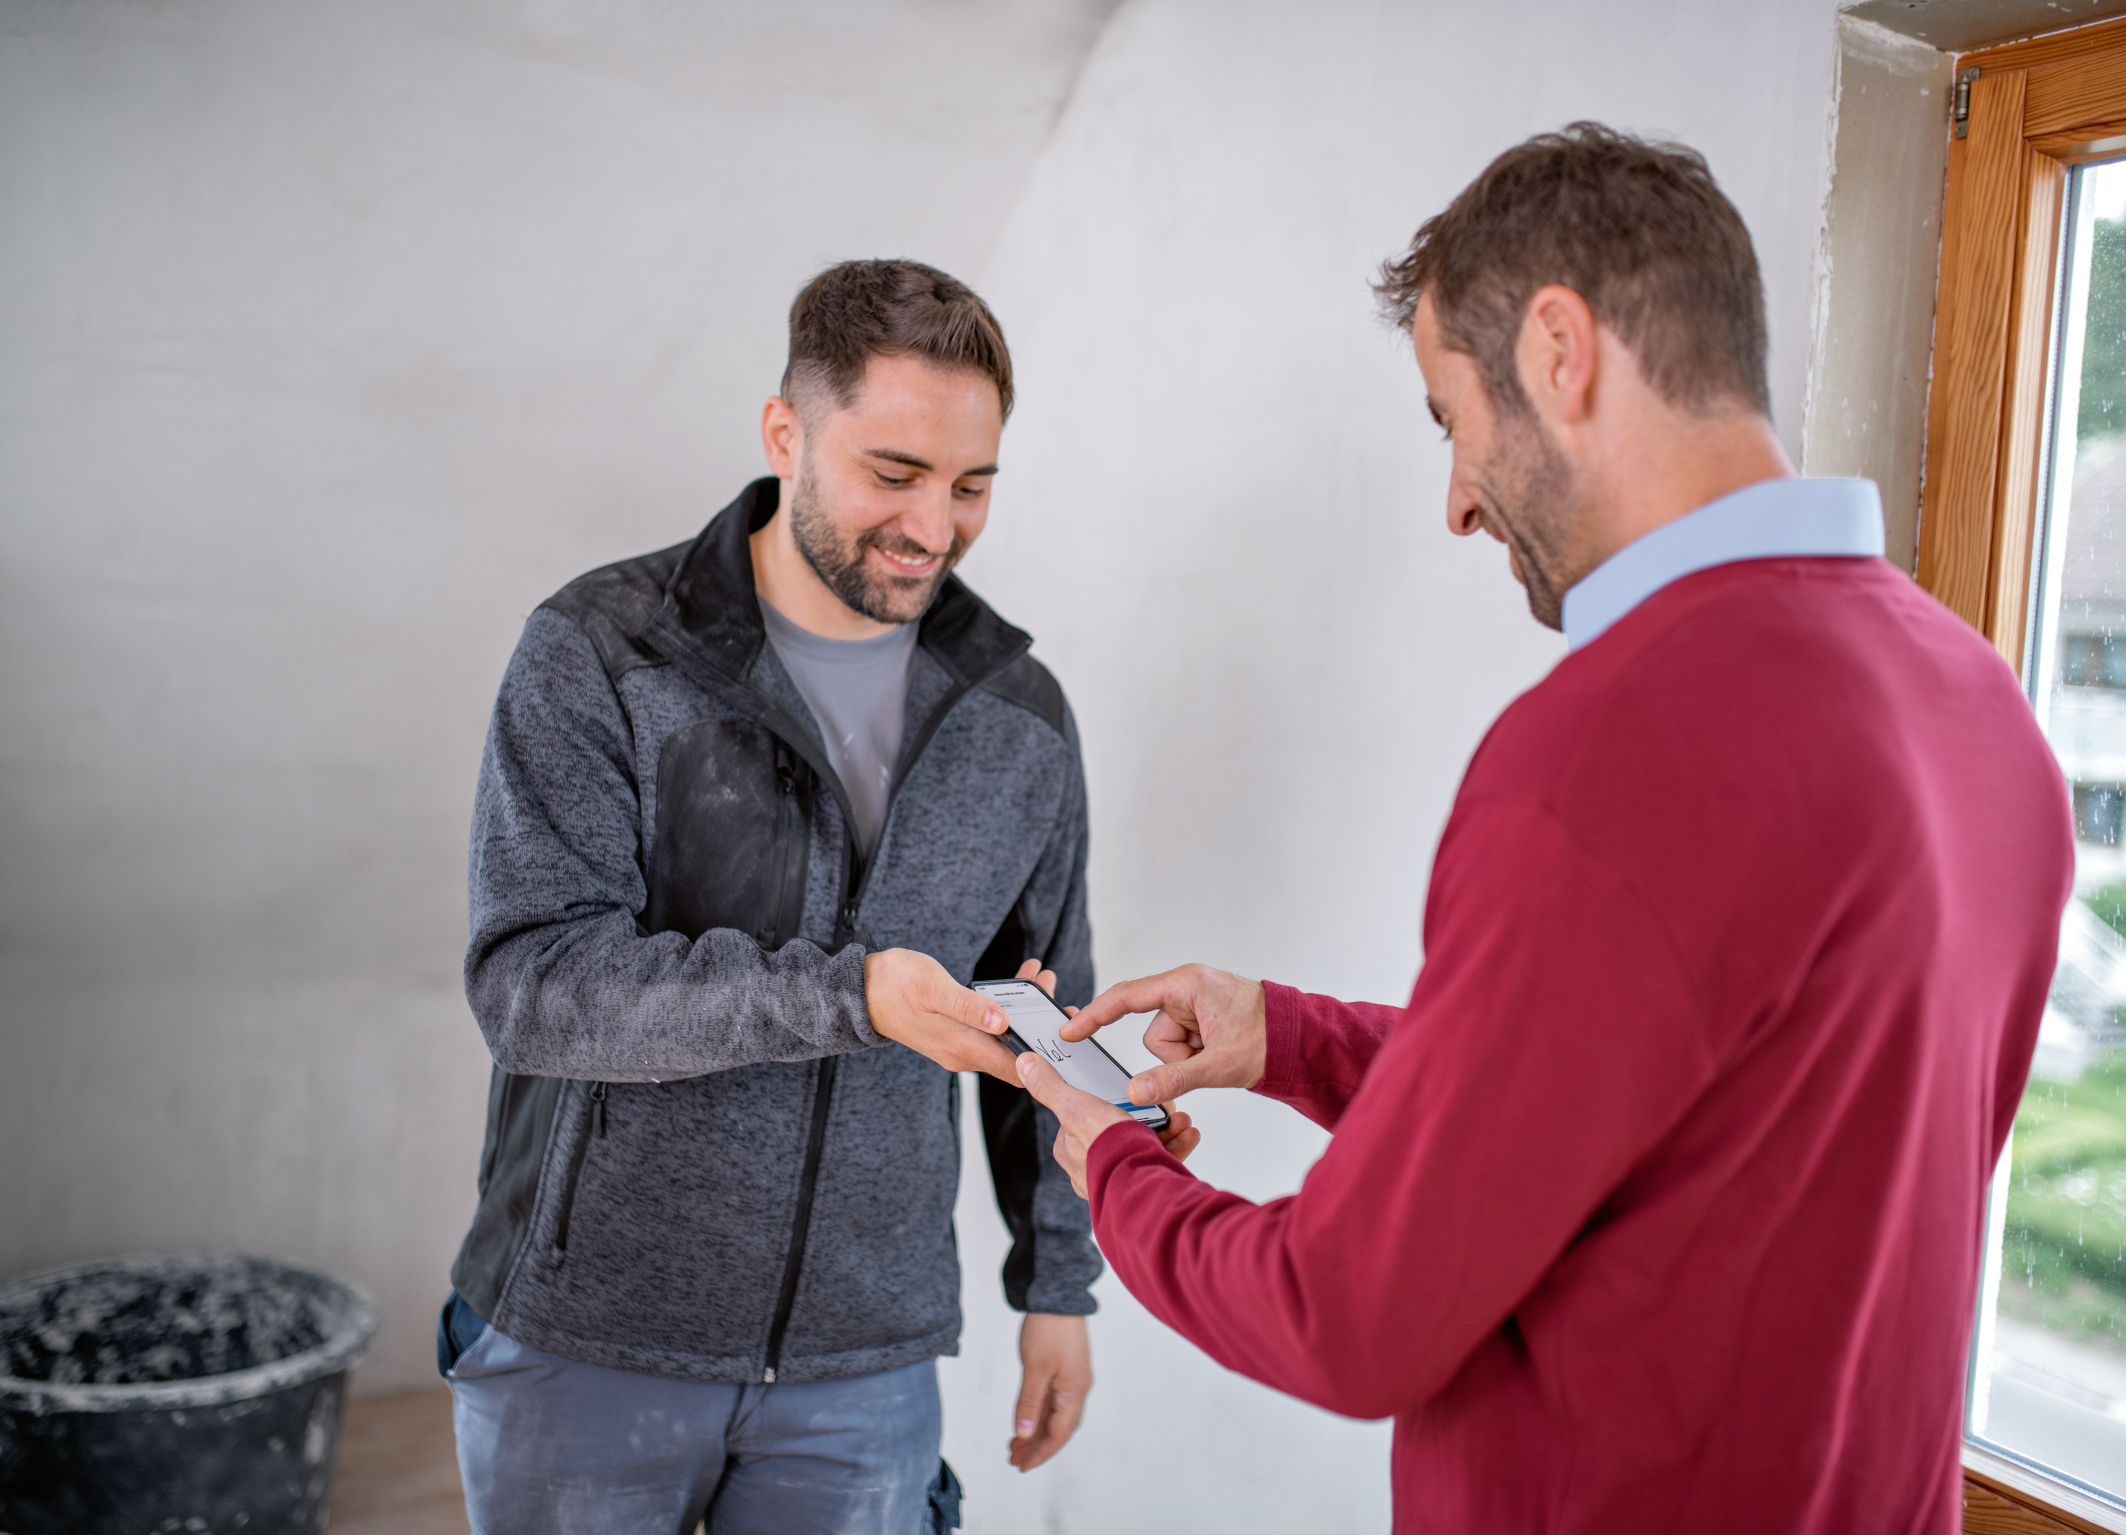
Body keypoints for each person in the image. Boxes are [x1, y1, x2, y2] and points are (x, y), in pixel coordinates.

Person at [1010, 124, 2074, 1532]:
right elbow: (1685, 1123)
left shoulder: (1609, 744)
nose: (1454, 498)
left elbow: (1346, 1315)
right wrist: (1295, 1033)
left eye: (1449, 418)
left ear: (1561, 352)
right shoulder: (1976, 704)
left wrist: (1108, 1158)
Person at [437, 259, 1188, 1535]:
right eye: (892, 474)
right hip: (587, 1332)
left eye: (972, 485)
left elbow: (1045, 1015)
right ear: (784, 431)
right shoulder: (600, 652)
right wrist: (851, 994)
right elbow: (535, 986)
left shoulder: (1020, 718)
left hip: (866, 1362)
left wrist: (1058, 1282)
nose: (933, 527)